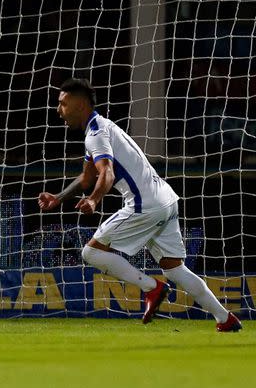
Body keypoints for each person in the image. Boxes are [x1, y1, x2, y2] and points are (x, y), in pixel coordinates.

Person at [38, 78, 241, 332]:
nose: (59, 110)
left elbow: (107, 174)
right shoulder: (101, 128)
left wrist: (93, 199)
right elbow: (87, 176)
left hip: (144, 205)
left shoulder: (96, 134)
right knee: (175, 270)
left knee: (90, 252)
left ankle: (151, 288)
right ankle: (225, 319)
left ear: (80, 104)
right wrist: (59, 197)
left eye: (63, 104)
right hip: (165, 200)